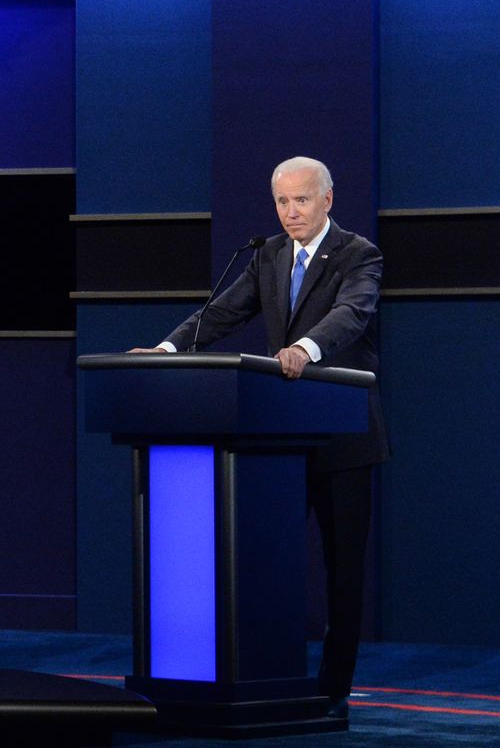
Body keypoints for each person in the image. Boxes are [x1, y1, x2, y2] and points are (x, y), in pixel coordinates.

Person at [132, 156, 386, 711]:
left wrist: (306, 349)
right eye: (281, 201)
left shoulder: (358, 254)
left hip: (344, 438)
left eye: (301, 200)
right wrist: (169, 348)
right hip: (279, 442)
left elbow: (352, 315)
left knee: (343, 573)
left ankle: (332, 690)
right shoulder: (268, 255)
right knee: (270, 561)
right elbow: (222, 313)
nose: (290, 212)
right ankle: (270, 675)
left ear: (327, 200)